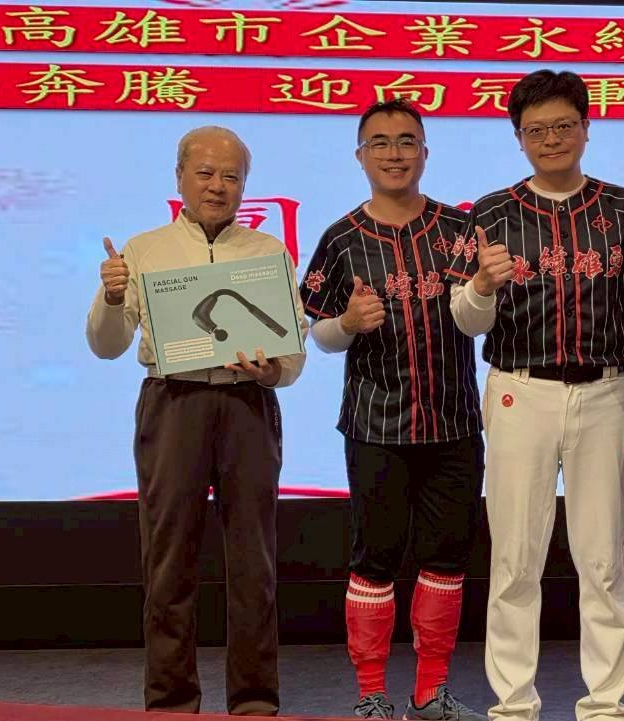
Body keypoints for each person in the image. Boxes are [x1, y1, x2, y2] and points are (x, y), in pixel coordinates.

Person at [444, 69, 624, 721]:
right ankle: (513, 703)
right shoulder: (489, 214)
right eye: (536, 130)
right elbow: (465, 320)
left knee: (603, 558)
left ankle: (606, 704)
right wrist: (482, 285)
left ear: (587, 128)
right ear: (518, 137)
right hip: (519, 391)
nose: (552, 139)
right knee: (514, 558)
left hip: (605, 393)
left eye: (564, 126)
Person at [86, 125, 307, 716]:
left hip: (247, 406)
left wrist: (274, 371)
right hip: (173, 404)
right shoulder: (143, 250)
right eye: (205, 173)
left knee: (255, 562)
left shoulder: (268, 253)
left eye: (232, 176)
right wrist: (112, 298)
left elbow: (293, 352)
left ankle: (255, 702)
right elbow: (106, 347)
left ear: (245, 186)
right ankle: (170, 701)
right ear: (179, 177)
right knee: (168, 560)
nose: (218, 186)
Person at [299, 99, 488, 721]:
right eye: (379, 142)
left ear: (425, 153)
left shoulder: (461, 230)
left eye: (407, 141)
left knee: (447, 559)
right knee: (374, 561)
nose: (394, 153)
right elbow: (318, 332)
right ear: (360, 156)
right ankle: (371, 696)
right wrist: (348, 323)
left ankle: (430, 693)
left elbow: (480, 315)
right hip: (374, 424)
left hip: (454, 422)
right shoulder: (341, 239)